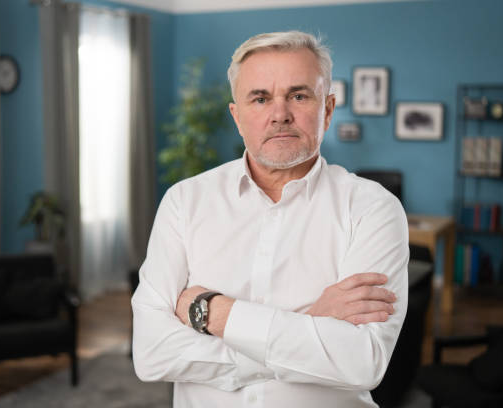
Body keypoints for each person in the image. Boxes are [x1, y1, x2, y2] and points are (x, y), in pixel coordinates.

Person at [132, 30, 408, 408]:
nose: (280, 114)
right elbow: (152, 353)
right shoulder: (185, 201)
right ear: (237, 116)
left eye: (298, 95)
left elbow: (362, 362)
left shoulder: (373, 208)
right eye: (260, 98)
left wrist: (215, 313)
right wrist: (309, 324)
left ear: (327, 109)